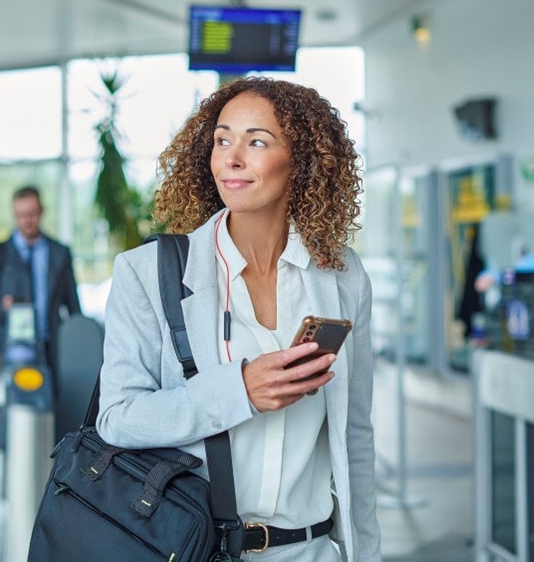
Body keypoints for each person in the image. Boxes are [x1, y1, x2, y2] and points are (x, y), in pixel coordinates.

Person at [96, 77, 381, 561]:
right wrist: (239, 392)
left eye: (257, 142)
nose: (231, 157)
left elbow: (354, 434)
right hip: (196, 549)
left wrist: (366, 554)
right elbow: (117, 419)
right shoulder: (146, 273)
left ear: (302, 161)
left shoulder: (342, 274)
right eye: (223, 139)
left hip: (310, 552)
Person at [0, 186, 81, 374]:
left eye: (31, 214)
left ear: (41, 211)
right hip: (7, 350)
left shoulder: (59, 254)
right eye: (20, 215)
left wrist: (77, 344)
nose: (26, 221)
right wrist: (2, 308)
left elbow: (73, 306)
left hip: (51, 350)